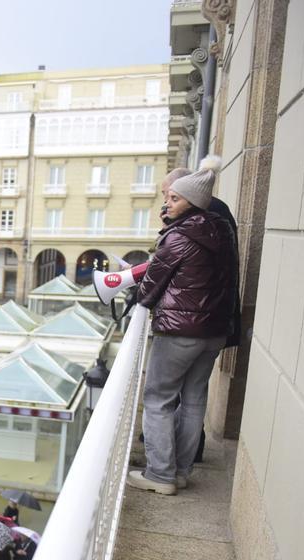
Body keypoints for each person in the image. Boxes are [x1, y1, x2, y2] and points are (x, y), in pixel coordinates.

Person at [129, 157, 238, 496]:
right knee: (193, 400)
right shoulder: (221, 229)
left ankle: (160, 474)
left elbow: (150, 287)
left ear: (192, 201)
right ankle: (180, 472)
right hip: (214, 331)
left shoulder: (179, 235)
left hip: (180, 331)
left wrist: (138, 297)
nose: (167, 203)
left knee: (158, 398)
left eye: (174, 198)